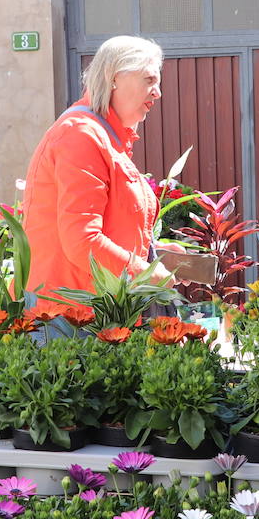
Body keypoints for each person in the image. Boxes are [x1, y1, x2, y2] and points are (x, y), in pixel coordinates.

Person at [22, 35, 171, 315]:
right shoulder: (82, 135)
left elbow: (107, 227)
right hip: (71, 317)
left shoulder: (100, 134)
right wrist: (145, 272)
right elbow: (82, 240)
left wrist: (158, 254)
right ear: (113, 77)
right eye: (149, 80)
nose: (158, 92)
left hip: (87, 311)